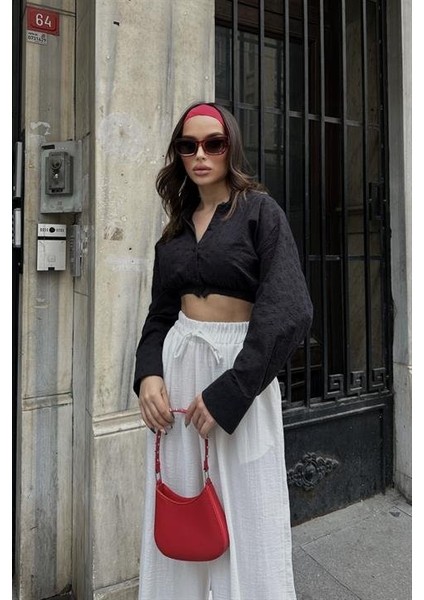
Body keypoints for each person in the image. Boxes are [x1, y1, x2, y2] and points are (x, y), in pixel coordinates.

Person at [133, 101, 313, 600]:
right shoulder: (175, 229)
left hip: (238, 380)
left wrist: (231, 391)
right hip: (177, 385)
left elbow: (290, 309)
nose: (200, 155)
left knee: (248, 507)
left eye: (213, 144)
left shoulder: (260, 212)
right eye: (188, 145)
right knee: (181, 501)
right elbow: (159, 314)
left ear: (230, 146)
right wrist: (148, 374)